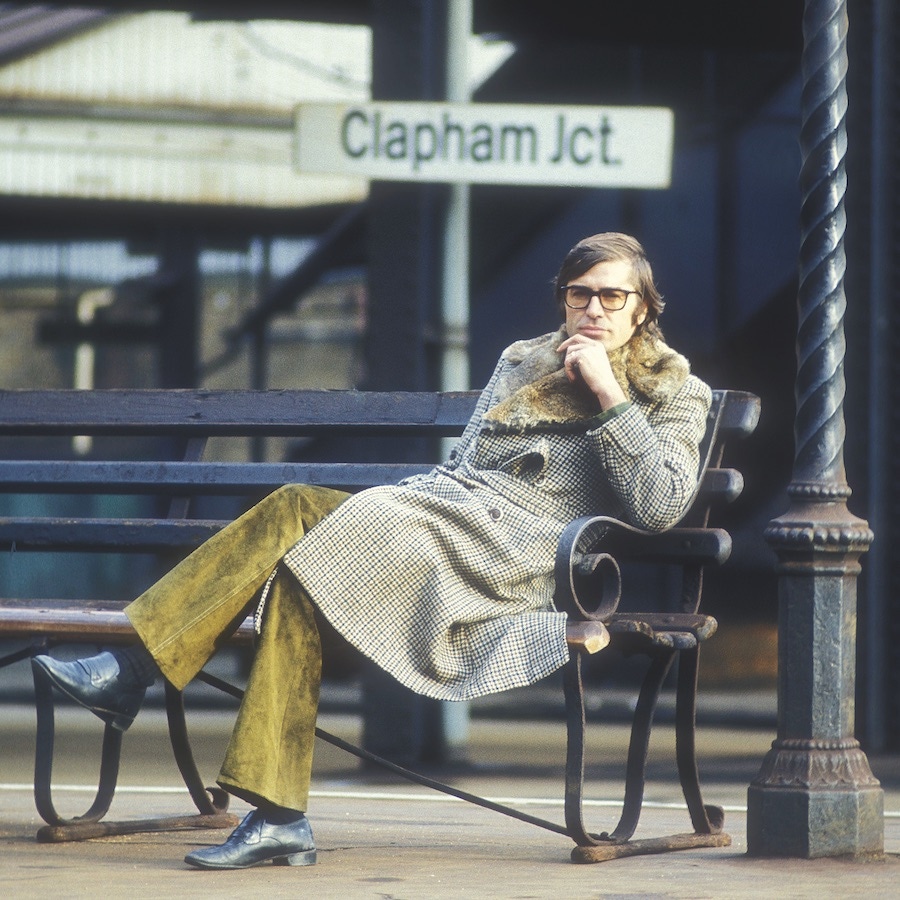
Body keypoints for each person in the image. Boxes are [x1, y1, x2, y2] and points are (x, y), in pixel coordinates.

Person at [33, 232, 712, 870]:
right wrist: (414, 500)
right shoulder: (521, 360)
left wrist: (608, 394)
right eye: (578, 293)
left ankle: (139, 676)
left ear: (643, 309)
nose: (592, 309)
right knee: (296, 508)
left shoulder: (674, 392)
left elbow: (659, 504)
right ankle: (270, 811)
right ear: (562, 298)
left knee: (306, 551)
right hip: (439, 519)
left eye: (611, 296)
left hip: (510, 558)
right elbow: (463, 465)